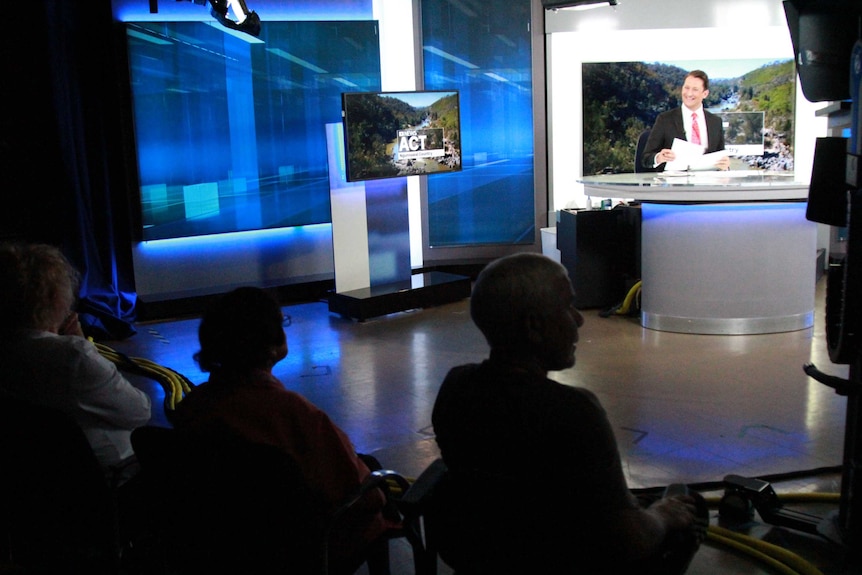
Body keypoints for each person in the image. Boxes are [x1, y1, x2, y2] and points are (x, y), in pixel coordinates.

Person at [430, 252, 708, 574]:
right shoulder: (575, 412)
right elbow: (629, 541)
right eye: (567, 307)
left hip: (485, 552)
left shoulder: (456, 386)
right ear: (534, 326)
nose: (578, 319)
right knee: (688, 506)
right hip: (563, 558)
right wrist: (663, 514)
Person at [170, 286, 395, 573]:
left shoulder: (192, 407)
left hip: (221, 548)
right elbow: (364, 496)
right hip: (302, 551)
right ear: (272, 341)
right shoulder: (294, 414)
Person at [0, 241, 152, 486]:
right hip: (115, 475)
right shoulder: (74, 356)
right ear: (56, 297)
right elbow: (139, 412)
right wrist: (84, 347)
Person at [641, 69, 730, 172]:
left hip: (706, 184)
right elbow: (645, 158)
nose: (689, 93)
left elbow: (721, 158)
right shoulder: (665, 119)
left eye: (695, 89)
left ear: (705, 94)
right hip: (674, 185)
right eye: (686, 88)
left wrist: (725, 166)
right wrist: (659, 157)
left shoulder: (715, 122)